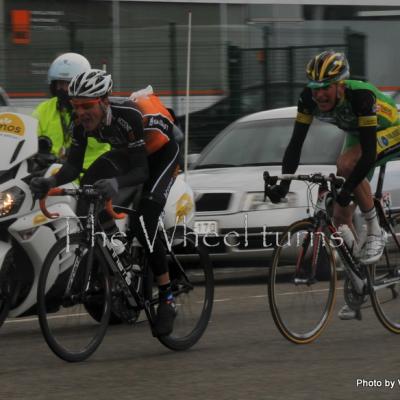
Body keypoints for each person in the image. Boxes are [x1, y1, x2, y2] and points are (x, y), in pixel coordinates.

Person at [30, 69, 180, 336]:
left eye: (88, 106)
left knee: (145, 221)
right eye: (77, 106)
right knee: (90, 184)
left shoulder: (128, 116)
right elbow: (73, 167)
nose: (82, 112)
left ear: (104, 102)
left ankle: (168, 296)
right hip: (130, 152)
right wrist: (49, 183)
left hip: (161, 154)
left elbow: (141, 172)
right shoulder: (79, 123)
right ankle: (118, 252)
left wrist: (116, 183)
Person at [267, 50, 400, 319]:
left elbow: (367, 154)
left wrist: (349, 189)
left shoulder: (360, 96)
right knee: (339, 216)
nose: (319, 95)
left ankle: (375, 231)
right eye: (315, 88)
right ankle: (359, 282)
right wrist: (283, 184)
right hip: (358, 135)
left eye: (325, 88)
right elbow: (295, 144)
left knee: (345, 165)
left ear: (341, 84)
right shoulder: (308, 99)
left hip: (392, 129)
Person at [33, 53, 110, 169]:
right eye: (59, 83)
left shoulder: (94, 109)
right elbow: (29, 138)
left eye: (68, 84)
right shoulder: (44, 109)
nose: (62, 89)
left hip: (90, 172)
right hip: (51, 170)